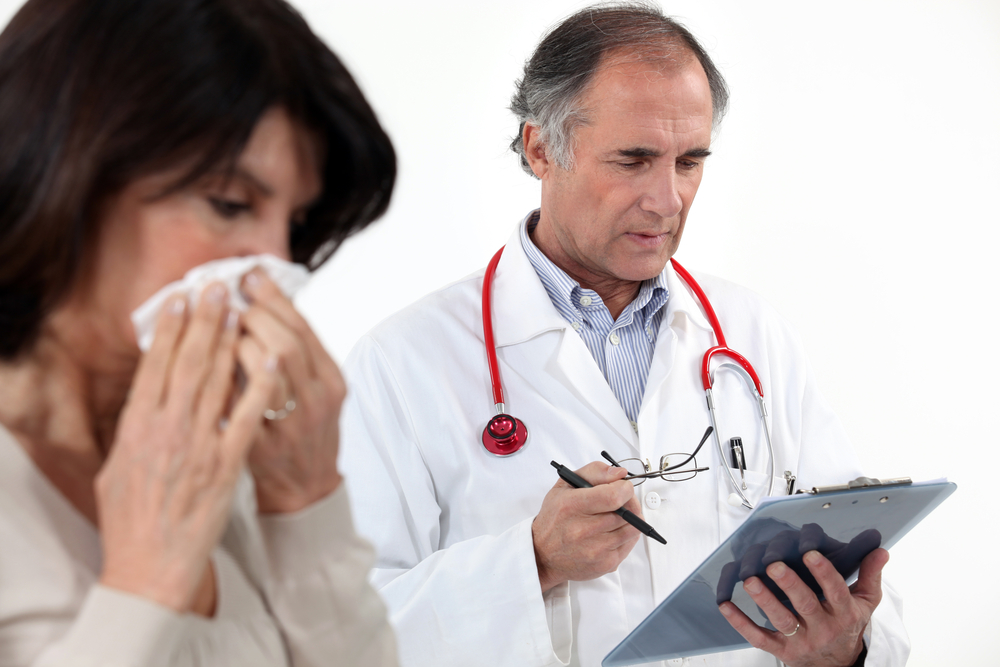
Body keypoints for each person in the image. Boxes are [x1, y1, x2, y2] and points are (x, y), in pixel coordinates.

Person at [339, 4, 910, 667]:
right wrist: (533, 561)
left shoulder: (753, 337)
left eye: (690, 160)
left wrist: (844, 645)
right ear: (540, 148)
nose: (668, 199)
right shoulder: (404, 361)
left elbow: (856, 577)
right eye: (634, 159)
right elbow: (342, 632)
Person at [0, 0, 397, 665]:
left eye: (293, 225)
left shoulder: (212, 449)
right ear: (69, 170)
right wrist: (145, 582)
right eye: (230, 203)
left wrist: (304, 506)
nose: (272, 266)